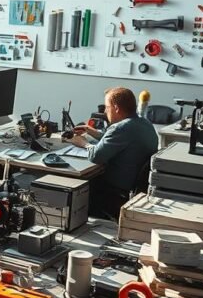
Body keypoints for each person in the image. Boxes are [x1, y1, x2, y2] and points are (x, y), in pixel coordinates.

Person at [67, 87, 158, 219]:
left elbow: (95, 156)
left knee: (79, 182)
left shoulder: (120, 128)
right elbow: (117, 139)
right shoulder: (144, 123)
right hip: (135, 189)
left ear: (116, 108)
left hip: (114, 192)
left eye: (107, 107)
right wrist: (91, 131)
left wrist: (83, 143)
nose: (105, 111)